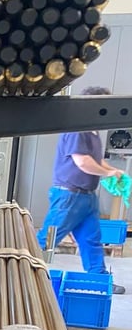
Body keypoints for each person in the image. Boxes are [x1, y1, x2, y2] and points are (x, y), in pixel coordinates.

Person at [36, 86, 126, 294]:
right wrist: (109, 173)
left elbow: (96, 160)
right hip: (68, 196)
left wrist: (115, 171)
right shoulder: (77, 128)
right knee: (47, 240)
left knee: (91, 240)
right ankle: (20, 272)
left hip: (87, 198)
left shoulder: (93, 131)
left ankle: (99, 280)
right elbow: (83, 162)